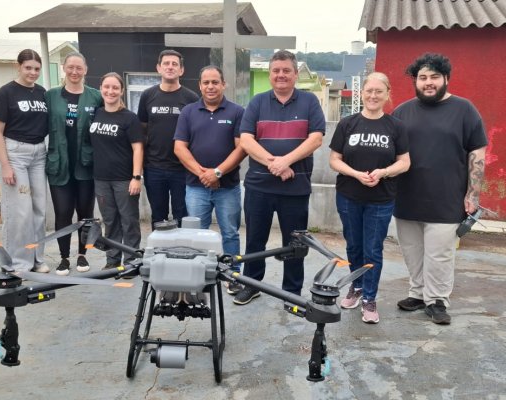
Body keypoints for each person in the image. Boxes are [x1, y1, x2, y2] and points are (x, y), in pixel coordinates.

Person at [392, 53, 487, 325]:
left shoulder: (464, 110)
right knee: (412, 251)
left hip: (447, 198)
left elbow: (477, 153)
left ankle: (437, 300)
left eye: (434, 77)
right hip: (407, 197)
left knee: (440, 254)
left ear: (446, 78)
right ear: (416, 81)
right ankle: (418, 293)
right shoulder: (402, 111)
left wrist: (473, 193)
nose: (428, 82)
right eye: (423, 78)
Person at [233, 50, 326, 305]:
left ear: (295, 74)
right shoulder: (257, 102)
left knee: (294, 244)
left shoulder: (309, 102)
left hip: (295, 188)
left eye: (286, 70)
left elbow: (316, 138)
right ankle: (251, 285)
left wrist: (286, 161)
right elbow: (247, 140)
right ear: (270, 75)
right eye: (276, 70)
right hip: (259, 187)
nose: (281, 75)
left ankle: (292, 292)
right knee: (254, 240)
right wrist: (275, 164)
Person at [329, 72, 410, 324]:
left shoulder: (395, 126)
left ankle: (370, 298)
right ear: (361, 93)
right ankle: (356, 287)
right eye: (369, 90)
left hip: (381, 200)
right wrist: (355, 174)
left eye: (379, 91)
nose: (373, 95)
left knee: (372, 249)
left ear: (387, 95)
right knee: (353, 246)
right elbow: (334, 160)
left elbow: (405, 162)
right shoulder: (347, 124)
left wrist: (384, 172)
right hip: (349, 196)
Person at [174, 65, 246, 295]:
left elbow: (242, 148)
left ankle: (232, 274)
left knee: (230, 233)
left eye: (215, 82)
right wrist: (203, 174)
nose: (210, 86)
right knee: (197, 234)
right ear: (200, 86)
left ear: (223, 84)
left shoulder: (236, 112)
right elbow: (179, 147)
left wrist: (218, 173)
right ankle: (200, 275)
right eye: (206, 82)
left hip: (228, 187)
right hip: (196, 187)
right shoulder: (188, 112)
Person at [0, 49, 49, 273]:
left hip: (38, 153)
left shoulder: (42, 92)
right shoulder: (7, 92)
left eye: (36, 68)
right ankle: (17, 263)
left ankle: (37, 258)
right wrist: (5, 164)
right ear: (18, 66)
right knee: (20, 211)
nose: (32, 72)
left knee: (39, 210)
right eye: (28, 68)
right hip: (15, 152)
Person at [45, 52, 102, 276]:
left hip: (86, 164)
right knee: (63, 213)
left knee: (85, 213)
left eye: (79, 68)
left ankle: (82, 255)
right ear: (63, 68)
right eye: (70, 67)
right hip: (59, 164)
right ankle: (64, 257)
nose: (74, 72)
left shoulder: (95, 96)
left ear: (85, 70)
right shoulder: (50, 96)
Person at [137, 49, 199, 229]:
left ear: (181, 70)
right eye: (166, 63)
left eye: (174, 64)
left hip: (182, 169)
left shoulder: (191, 98)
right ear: (158, 68)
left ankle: (182, 254)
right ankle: (159, 254)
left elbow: (195, 134)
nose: (170, 67)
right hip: (154, 168)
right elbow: (142, 130)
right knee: (158, 216)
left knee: (182, 215)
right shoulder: (147, 96)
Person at [91, 72, 144, 269]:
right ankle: (112, 261)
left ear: (122, 91)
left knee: (129, 221)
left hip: (124, 179)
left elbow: (138, 148)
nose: (110, 91)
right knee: (110, 221)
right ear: (101, 89)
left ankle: (132, 262)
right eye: (106, 87)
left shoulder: (129, 118)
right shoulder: (96, 113)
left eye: (115, 88)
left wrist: (136, 177)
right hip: (101, 179)